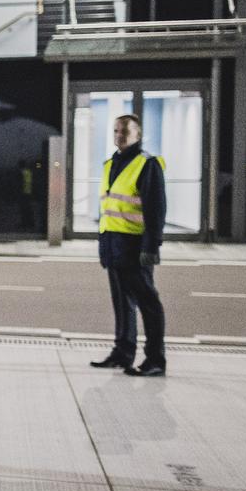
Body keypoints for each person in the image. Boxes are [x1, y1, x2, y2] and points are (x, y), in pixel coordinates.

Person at [91, 113, 168, 377]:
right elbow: (108, 209)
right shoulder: (110, 164)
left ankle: (156, 359)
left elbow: (156, 211)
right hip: (114, 245)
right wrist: (103, 246)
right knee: (122, 303)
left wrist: (151, 248)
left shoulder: (146, 164)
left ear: (138, 134)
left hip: (135, 247)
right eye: (115, 131)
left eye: (124, 131)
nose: (119, 136)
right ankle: (123, 352)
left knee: (148, 302)